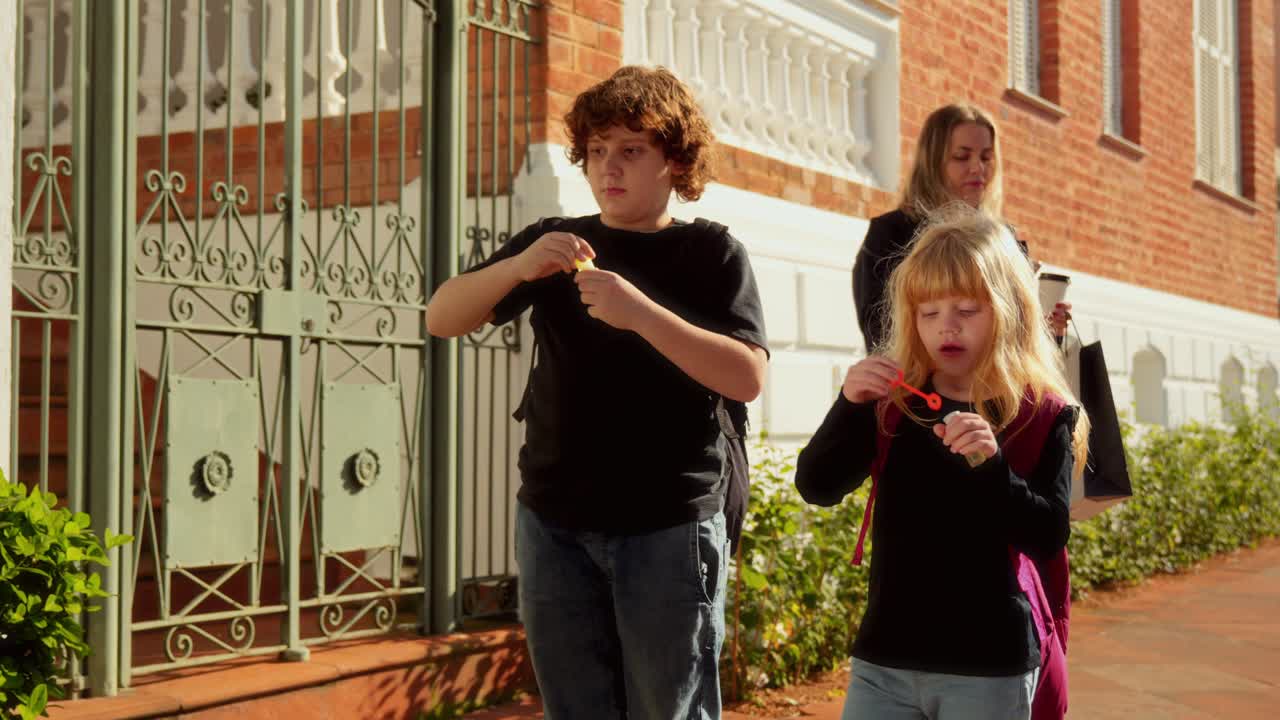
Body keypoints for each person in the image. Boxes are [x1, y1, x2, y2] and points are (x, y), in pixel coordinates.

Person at [425, 65, 769, 719]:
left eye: (631, 150)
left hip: (667, 527)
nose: (608, 166)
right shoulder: (555, 243)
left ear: (675, 160)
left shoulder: (711, 252)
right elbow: (442, 317)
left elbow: (746, 376)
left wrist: (639, 313)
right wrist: (518, 267)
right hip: (553, 523)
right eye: (597, 149)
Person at [796, 208, 1090, 720]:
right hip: (884, 663)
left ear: (1009, 310)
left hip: (988, 667)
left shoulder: (1039, 412)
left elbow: (1047, 534)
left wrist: (992, 465)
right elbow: (816, 486)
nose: (946, 326)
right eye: (928, 312)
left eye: (966, 310)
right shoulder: (895, 404)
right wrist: (848, 404)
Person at [852, 103, 1070, 354]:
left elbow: (1020, 346)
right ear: (932, 162)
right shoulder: (890, 234)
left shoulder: (1004, 239)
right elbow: (880, 338)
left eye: (986, 157)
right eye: (962, 156)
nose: (978, 168)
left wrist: (1045, 329)